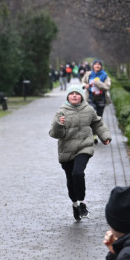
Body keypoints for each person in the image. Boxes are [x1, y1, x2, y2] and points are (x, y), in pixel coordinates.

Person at [49, 86, 111, 222]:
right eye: (71, 94)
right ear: (67, 97)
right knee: (70, 179)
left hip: (84, 147)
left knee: (78, 173)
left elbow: (97, 124)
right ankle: (75, 204)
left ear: (82, 96)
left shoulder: (88, 110)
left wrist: (105, 136)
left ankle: (82, 203)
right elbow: (54, 134)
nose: (75, 96)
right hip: (66, 150)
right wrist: (59, 125)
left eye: (77, 93)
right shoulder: (61, 112)